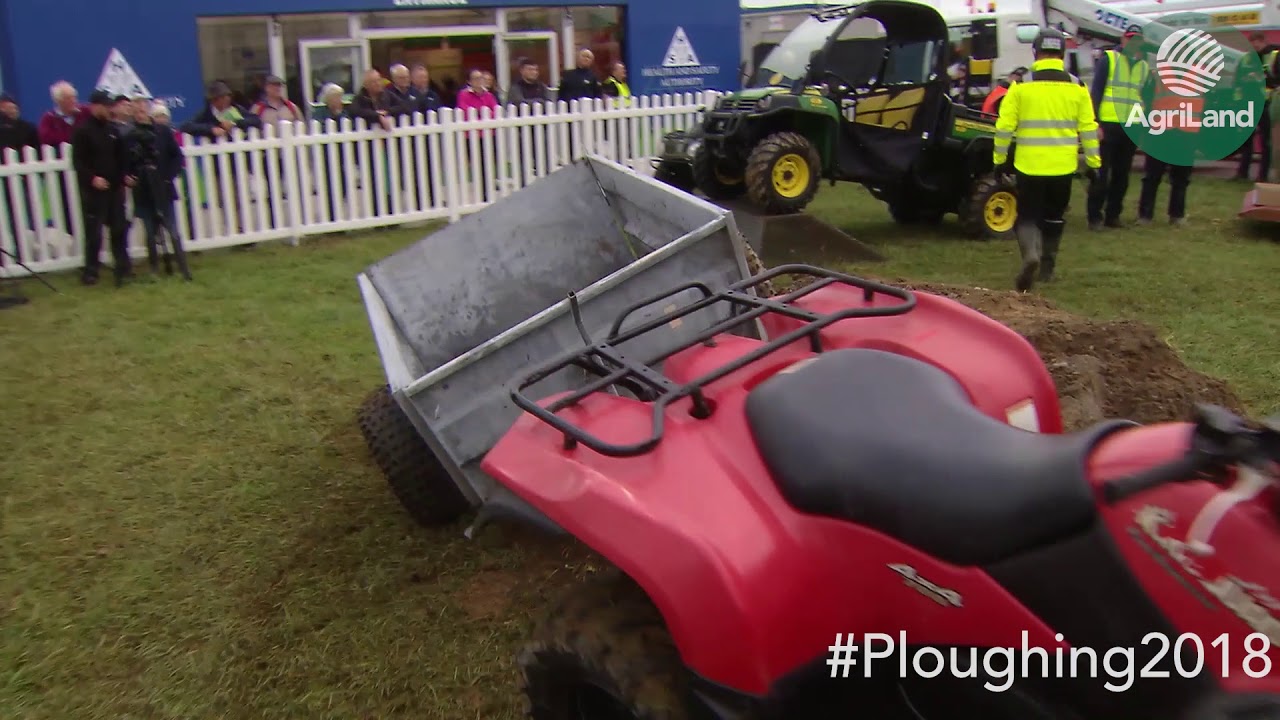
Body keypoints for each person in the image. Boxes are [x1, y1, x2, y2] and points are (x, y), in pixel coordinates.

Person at [994, 28, 1102, 292]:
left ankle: (1031, 254)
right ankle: (1047, 268)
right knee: (1054, 217)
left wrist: (999, 159)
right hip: (1062, 166)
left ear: (1035, 52)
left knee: (1027, 216)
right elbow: (1088, 128)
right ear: (1063, 54)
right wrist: (1093, 164)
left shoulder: (1021, 84)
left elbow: (1004, 126)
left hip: (1029, 165)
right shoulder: (1077, 86)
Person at [1088, 29, 1149, 230]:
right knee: (1101, 176)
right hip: (1108, 126)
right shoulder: (1109, 59)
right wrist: (1095, 122)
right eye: (1130, 39)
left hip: (1131, 128)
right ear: (1123, 39)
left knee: (1122, 177)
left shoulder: (1143, 67)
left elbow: (1144, 99)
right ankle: (1095, 217)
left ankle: (1113, 216)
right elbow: (1096, 91)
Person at [72, 90, 132, 286]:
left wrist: (123, 178)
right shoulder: (82, 131)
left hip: (114, 189)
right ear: (94, 106)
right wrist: (92, 179)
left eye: (109, 106)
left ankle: (123, 267)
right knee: (94, 233)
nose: (108, 109)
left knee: (119, 229)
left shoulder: (113, 130)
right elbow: (78, 162)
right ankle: (91, 271)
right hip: (94, 191)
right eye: (105, 106)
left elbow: (121, 156)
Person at [126, 101, 191, 280]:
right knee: (149, 231)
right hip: (143, 189)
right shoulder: (130, 136)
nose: (140, 113)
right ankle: (154, 268)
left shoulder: (162, 132)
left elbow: (177, 156)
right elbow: (125, 161)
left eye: (142, 109)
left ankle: (183, 267)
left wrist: (167, 177)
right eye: (136, 110)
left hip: (163, 187)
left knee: (173, 230)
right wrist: (129, 175)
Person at [1136, 70, 1197, 227]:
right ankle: (1145, 215)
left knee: (1181, 178)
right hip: (1161, 132)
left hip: (1186, 133)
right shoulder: (1157, 75)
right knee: (1152, 176)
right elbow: (1145, 101)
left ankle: (1176, 215)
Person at [0, 93, 39, 263]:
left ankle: (21, 252)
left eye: (14, 107)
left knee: (20, 217)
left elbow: (37, 149)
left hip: (21, 179)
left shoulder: (27, 128)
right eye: (8, 107)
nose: (12, 110)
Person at [1236, 32, 1279, 181]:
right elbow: (1238, 82)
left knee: (1266, 141)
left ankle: (1263, 175)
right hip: (1248, 103)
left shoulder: (1275, 55)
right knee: (1245, 140)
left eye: (1257, 42)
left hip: (1268, 103)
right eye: (1252, 42)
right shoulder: (1247, 58)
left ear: (1264, 41)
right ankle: (1242, 174)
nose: (1255, 46)